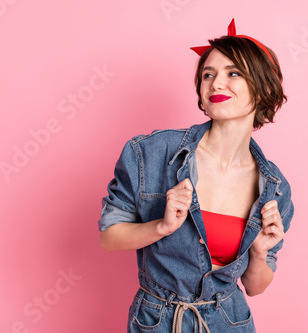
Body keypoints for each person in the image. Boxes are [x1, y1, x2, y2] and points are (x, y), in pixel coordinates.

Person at [98, 18, 294, 333]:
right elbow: (109, 237)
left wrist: (260, 251)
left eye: (233, 73)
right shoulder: (151, 152)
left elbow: (255, 286)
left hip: (229, 322)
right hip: (158, 321)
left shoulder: (275, 188)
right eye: (208, 74)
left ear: (264, 88)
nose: (216, 83)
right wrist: (162, 226)